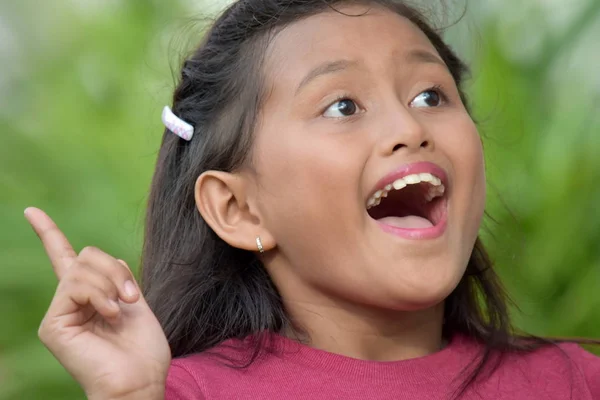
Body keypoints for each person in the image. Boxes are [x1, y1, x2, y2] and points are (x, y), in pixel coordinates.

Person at [24, 0, 600, 399]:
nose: (408, 126)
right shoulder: (173, 393)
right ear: (238, 209)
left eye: (430, 95)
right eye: (343, 106)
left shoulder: (577, 381)